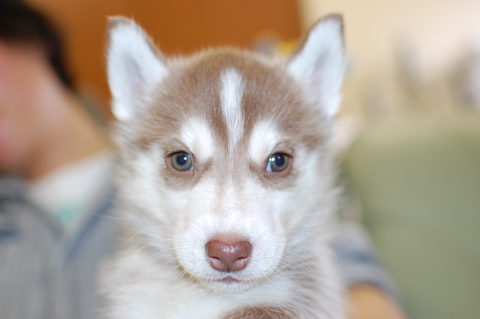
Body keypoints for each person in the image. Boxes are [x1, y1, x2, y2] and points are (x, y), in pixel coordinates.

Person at [0, 1, 406, 318]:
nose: (229, 235)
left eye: (276, 162)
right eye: (181, 161)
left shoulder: (313, 236)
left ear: (25, 39)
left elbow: (361, 287)